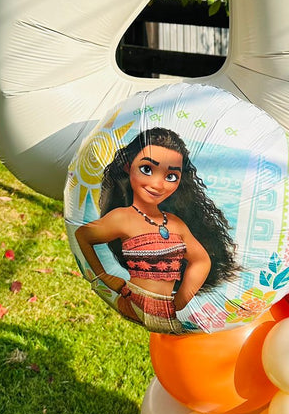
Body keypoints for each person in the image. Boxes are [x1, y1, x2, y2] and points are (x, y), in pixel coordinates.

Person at [75, 127, 237, 332]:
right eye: (147, 169)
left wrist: (180, 300)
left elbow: (201, 260)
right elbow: (83, 235)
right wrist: (103, 276)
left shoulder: (175, 223)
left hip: (167, 310)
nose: (158, 184)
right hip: (134, 304)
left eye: (171, 176)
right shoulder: (122, 218)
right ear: (128, 167)